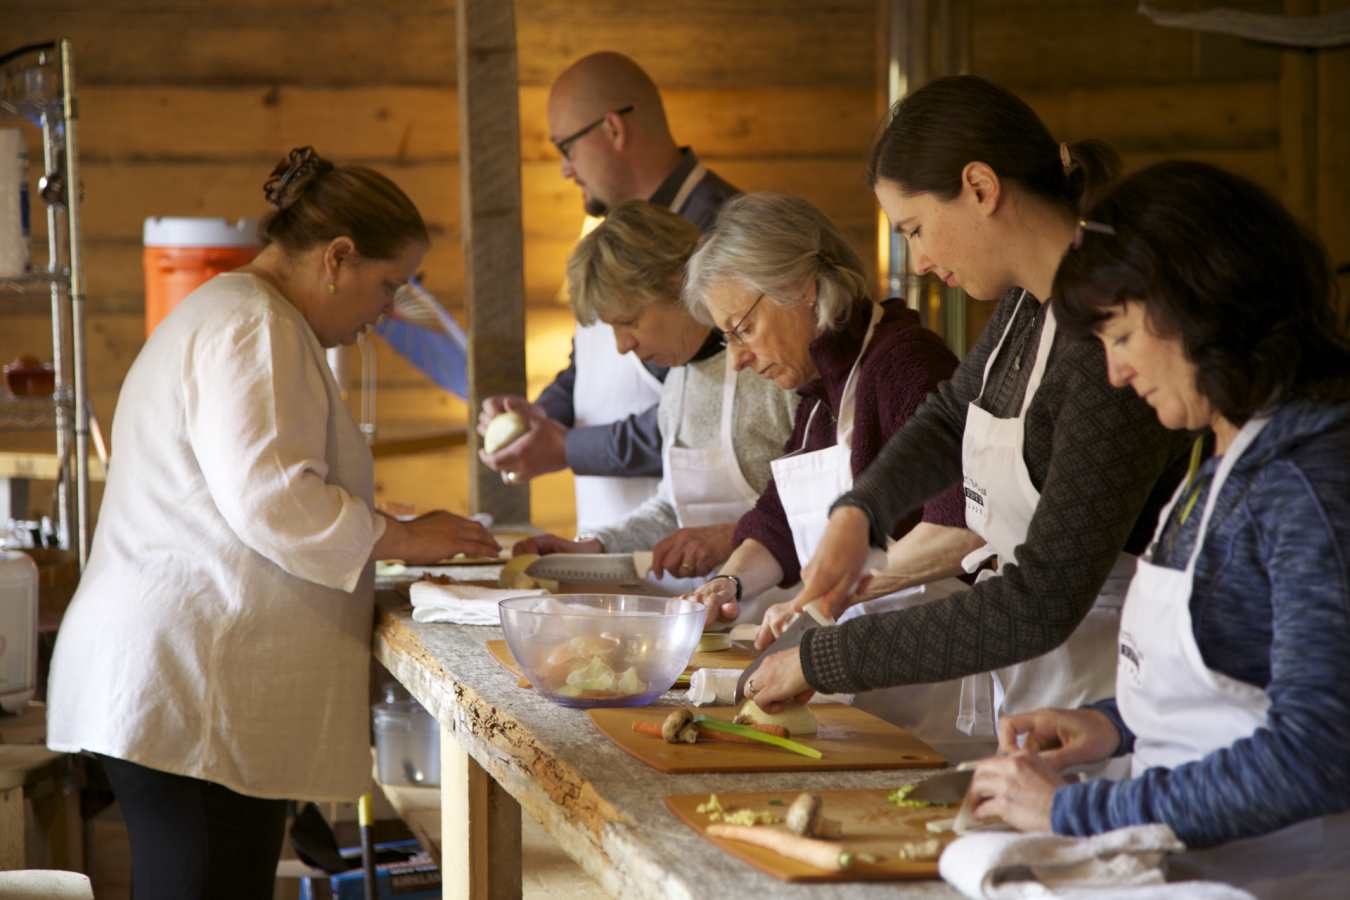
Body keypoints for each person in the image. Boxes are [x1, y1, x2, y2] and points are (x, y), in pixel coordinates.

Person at [46, 148, 499, 898]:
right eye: (388, 285)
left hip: (186, 681)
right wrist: (407, 536)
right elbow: (276, 500)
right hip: (190, 685)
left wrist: (390, 532)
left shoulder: (246, 315)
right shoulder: (254, 324)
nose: (389, 309)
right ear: (337, 257)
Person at [742, 76, 1191, 753]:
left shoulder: (1109, 351)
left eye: (917, 230)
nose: (918, 261)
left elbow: (1041, 599)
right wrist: (858, 511)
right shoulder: (1024, 307)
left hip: (1112, 694)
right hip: (1042, 687)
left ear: (981, 187)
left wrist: (824, 658)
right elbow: (952, 416)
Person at [967, 161, 1350, 899]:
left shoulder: (1306, 482)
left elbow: (1319, 752)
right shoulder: (1227, 453)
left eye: (1121, 335)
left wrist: (1075, 809)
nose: (1114, 373)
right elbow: (1240, 688)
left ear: (1194, 305)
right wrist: (1114, 727)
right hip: (1196, 870)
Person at [680, 192, 968, 630]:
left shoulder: (906, 366)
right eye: (728, 339)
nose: (737, 360)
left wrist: (830, 593)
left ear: (801, 287)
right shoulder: (819, 395)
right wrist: (727, 583)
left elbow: (962, 523)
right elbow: (775, 521)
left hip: (932, 675)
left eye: (743, 330)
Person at [477, 51, 737, 533]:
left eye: (565, 148)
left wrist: (565, 448)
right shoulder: (606, 237)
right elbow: (590, 364)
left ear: (613, 130)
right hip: (615, 542)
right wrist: (537, 417)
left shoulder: (724, 235)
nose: (564, 171)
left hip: (704, 552)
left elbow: (712, 412)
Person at [511, 201, 797, 591]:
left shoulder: (777, 370)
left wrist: (730, 538)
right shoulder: (680, 379)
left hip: (789, 618)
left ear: (680, 285)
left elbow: (826, 513)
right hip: (722, 621)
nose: (623, 346)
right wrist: (595, 548)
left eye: (629, 322)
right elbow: (674, 511)